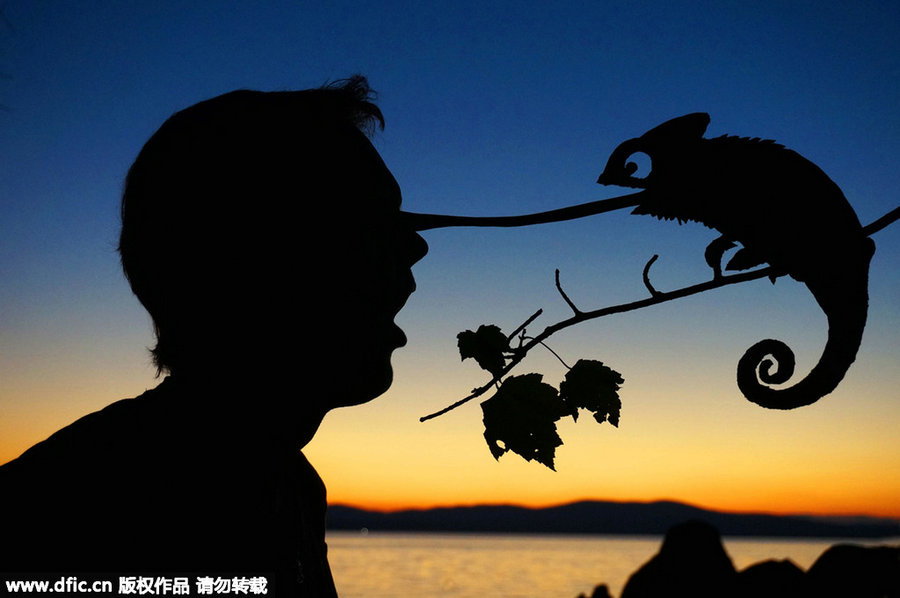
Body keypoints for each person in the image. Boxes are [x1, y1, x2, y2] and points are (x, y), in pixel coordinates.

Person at [0, 76, 428, 596]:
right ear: (251, 258)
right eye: (373, 226)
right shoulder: (76, 508)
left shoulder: (285, 485)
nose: (414, 249)